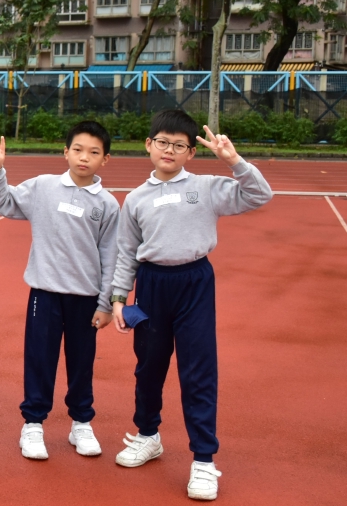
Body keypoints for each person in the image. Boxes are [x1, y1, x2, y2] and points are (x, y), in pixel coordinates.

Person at [110, 110, 273, 501]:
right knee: (149, 366)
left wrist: (234, 161)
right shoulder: (136, 199)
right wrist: (118, 297)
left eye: (179, 145)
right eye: (162, 142)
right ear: (149, 145)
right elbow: (126, 252)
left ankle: (203, 459)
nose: (169, 150)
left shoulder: (207, 187)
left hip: (194, 282)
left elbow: (260, 195)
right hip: (151, 285)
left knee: (198, 370)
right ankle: (148, 435)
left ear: (190, 153)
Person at [0, 121, 121, 461]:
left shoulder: (107, 204)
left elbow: (111, 255)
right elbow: (2, 202)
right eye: (78, 150)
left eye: (93, 152)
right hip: (45, 294)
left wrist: (106, 303)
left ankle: (81, 422)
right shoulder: (43, 187)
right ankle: (33, 423)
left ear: (105, 159)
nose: (84, 158)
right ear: (65, 152)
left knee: (81, 362)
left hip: (86, 298)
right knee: (40, 359)